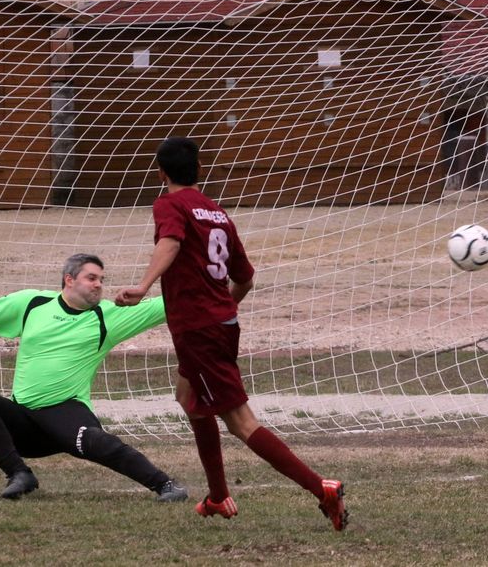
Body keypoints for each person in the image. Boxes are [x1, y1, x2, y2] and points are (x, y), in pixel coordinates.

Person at [115, 137, 348, 531]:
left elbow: (170, 242)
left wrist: (143, 286)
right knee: (188, 397)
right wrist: (223, 308)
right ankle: (218, 496)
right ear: (199, 170)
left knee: (241, 422)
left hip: (198, 329)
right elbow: (245, 279)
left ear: (161, 173)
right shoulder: (217, 213)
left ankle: (321, 488)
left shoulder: (169, 204)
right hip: (220, 325)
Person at [0, 252, 188, 503]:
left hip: (66, 413)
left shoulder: (108, 316)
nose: (99, 284)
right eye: (91, 277)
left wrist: (205, 281)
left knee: (94, 441)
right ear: (69, 280)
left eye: (101, 279)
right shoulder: (32, 303)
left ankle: (165, 485)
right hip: (24, 422)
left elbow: (166, 304)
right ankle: (19, 474)